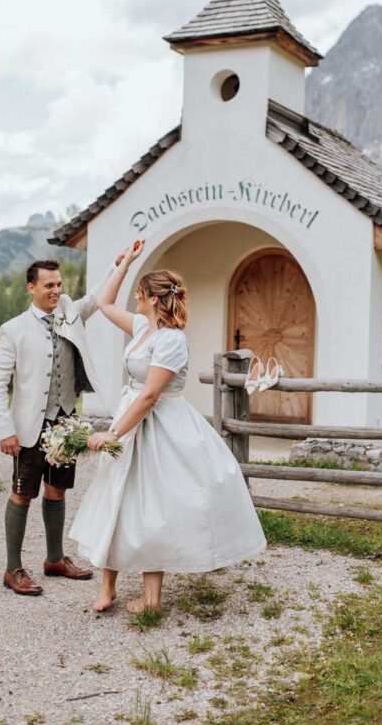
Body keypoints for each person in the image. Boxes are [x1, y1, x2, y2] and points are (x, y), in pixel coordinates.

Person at [69, 240, 266, 613]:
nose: (136, 299)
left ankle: (152, 599)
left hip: (160, 428)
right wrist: (125, 264)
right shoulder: (142, 326)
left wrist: (113, 433)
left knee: (151, 505)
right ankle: (107, 589)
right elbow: (107, 304)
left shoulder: (172, 341)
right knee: (115, 495)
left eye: (141, 294)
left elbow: (150, 396)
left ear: (155, 300)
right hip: (131, 420)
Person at [0, 253, 124, 596]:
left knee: (58, 488)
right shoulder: (14, 329)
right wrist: (5, 430)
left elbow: (94, 296)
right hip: (29, 426)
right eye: (49, 285)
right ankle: (12, 569)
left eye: (59, 284)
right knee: (22, 493)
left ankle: (54, 559)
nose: (56, 290)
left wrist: (118, 263)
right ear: (30, 287)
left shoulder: (69, 313)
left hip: (66, 421)